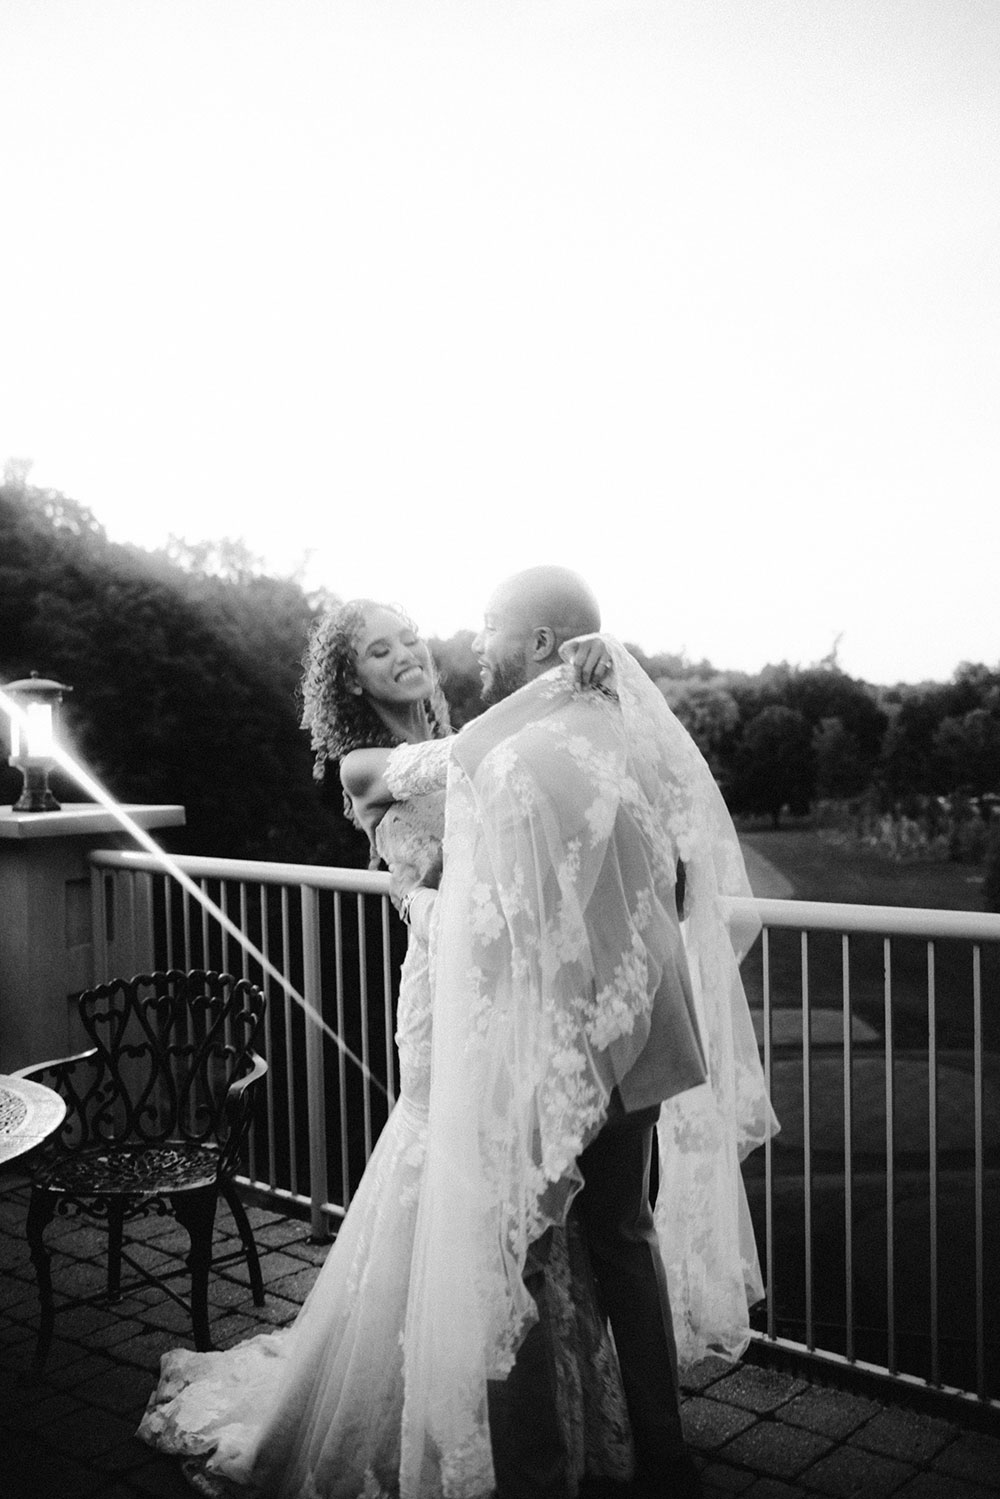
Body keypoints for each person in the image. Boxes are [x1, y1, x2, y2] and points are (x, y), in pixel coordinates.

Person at [137, 598, 626, 1499]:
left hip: (508, 988)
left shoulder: (474, 733)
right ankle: (429, 1399)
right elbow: (469, 768)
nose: (403, 655)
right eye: (376, 649)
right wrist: (564, 683)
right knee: (445, 1177)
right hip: (442, 996)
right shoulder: (361, 762)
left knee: (519, 1182)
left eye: (407, 639)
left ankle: (539, 1411)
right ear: (349, 678)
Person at [351, 567, 777, 1499]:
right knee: (614, 1235)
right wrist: (589, 671)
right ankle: (658, 1456)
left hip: (538, 1036)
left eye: (493, 626)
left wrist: (584, 670)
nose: (469, 643)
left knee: (531, 1248)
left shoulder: (530, 738)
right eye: (379, 648)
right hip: (622, 1022)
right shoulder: (590, 724)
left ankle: (549, 1473)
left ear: (540, 641)